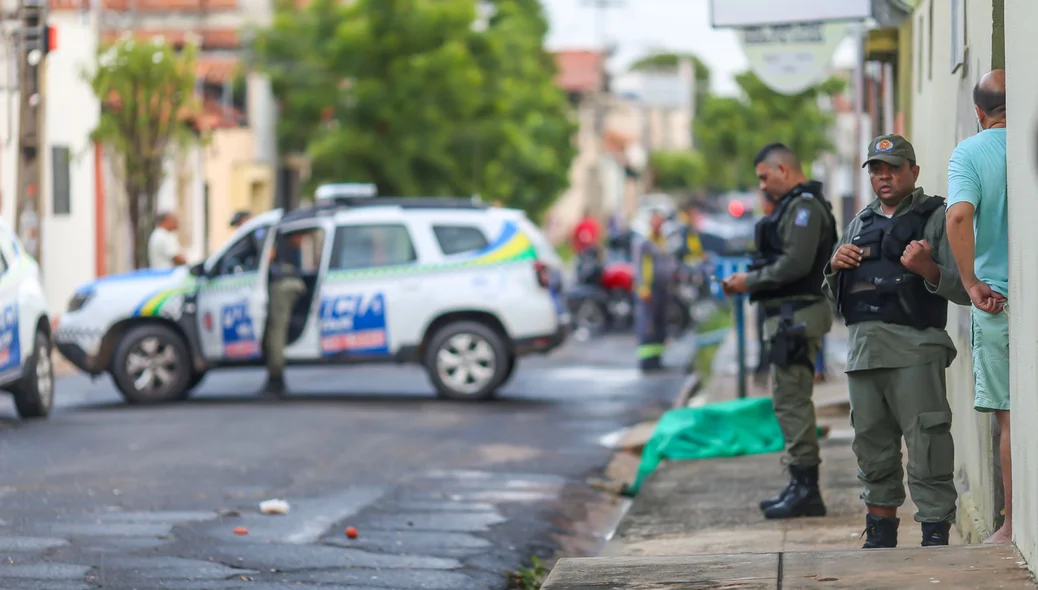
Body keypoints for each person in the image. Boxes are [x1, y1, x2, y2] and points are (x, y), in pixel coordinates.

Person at [824, 134, 970, 549]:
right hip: (863, 356)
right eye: (876, 169)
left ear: (914, 171)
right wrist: (833, 267)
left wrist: (928, 269)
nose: (883, 177)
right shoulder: (859, 222)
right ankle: (880, 540)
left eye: (893, 168)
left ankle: (935, 539)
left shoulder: (937, 217)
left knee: (927, 448)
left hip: (915, 352)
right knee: (872, 451)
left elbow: (966, 288)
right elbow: (836, 298)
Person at [721, 143, 836, 520]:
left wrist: (749, 281)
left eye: (764, 176)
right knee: (787, 399)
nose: (762, 185)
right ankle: (798, 483)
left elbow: (795, 264)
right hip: (790, 316)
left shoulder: (804, 208)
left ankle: (806, 490)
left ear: (784, 170)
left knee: (791, 400)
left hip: (797, 315)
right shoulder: (794, 206)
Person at [946, 69, 1011, 544]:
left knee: (1009, 417)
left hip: (999, 301)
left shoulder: (971, 152)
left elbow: (959, 215)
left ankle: (1013, 525)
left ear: (978, 113)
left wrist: (970, 282)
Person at [261, 230, 308, 397]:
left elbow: (267, 258)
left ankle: (275, 377)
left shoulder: (269, 234)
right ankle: (274, 375)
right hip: (290, 282)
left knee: (276, 332)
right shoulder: (275, 233)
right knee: (276, 330)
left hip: (282, 284)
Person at [633, 209, 675, 372]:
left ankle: (657, 359)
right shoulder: (644, 242)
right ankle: (646, 361)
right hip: (648, 291)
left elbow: (669, 263)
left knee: (660, 326)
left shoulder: (663, 241)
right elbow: (638, 267)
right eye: (655, 221)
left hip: (663, 290)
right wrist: (643, 288)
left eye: (661, 221)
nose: (658, 224)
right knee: (647, 326)